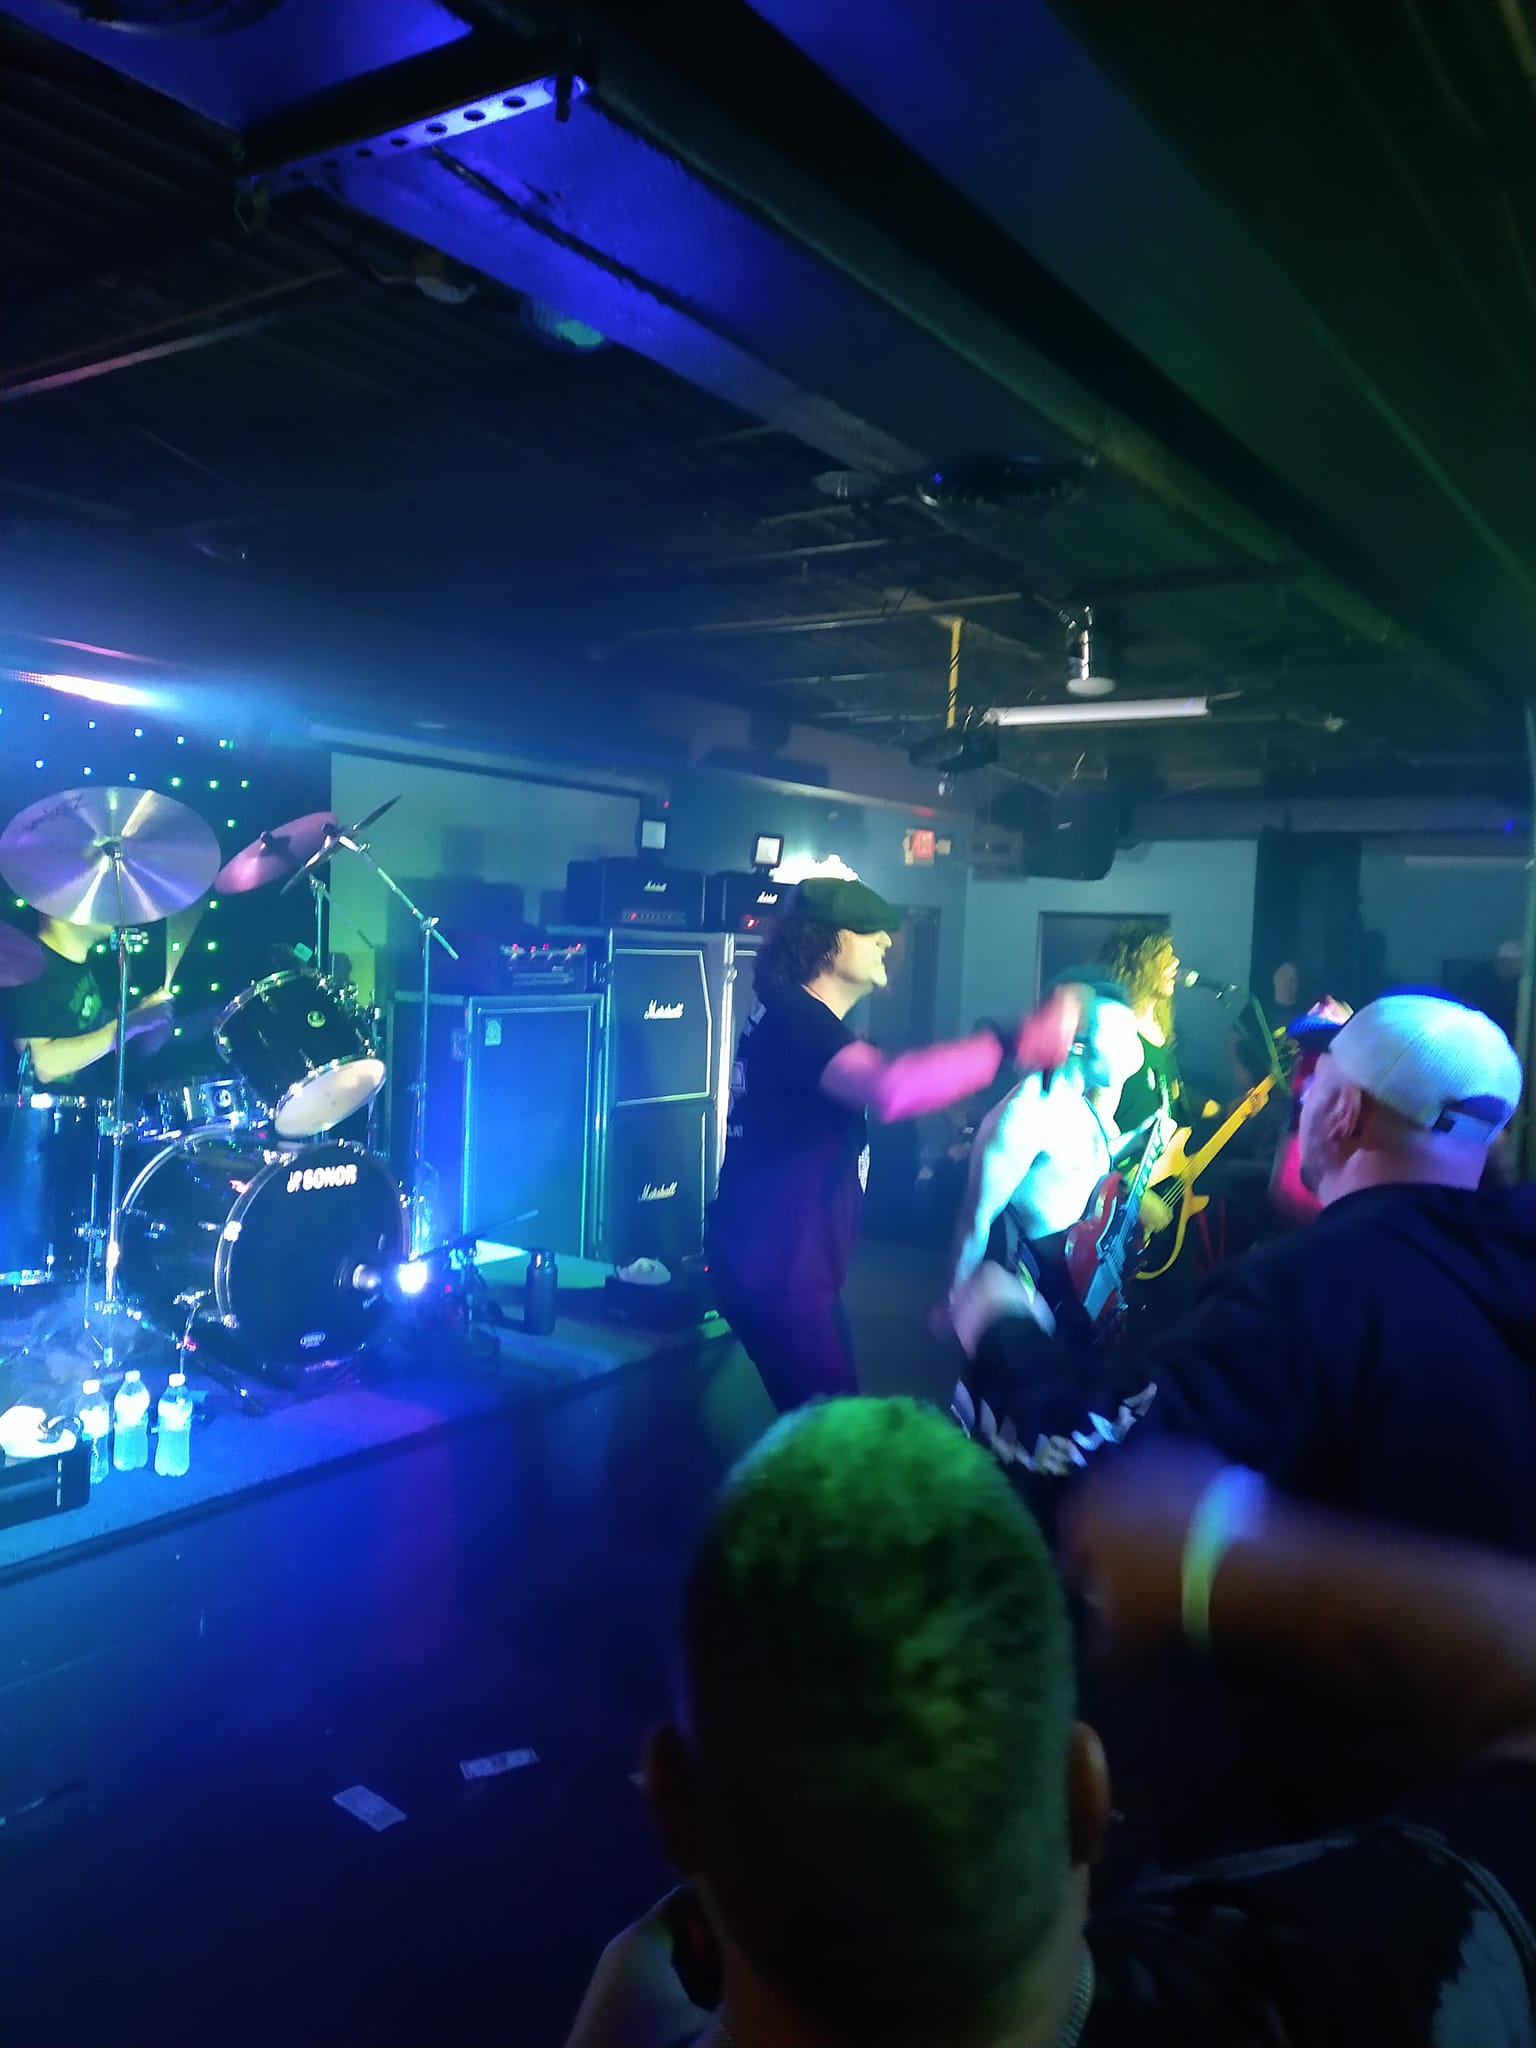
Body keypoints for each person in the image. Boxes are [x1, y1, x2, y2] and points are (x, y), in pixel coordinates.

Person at [563, 1400, 1536, 2048]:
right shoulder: (1372, 1979)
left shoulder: (621, 2016)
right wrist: (1216, 1553)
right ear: (1084, 1796)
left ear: (673, 1804)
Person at [707, 877, 1078, 1412]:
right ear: (825, 941)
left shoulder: (793, 1015)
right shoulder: (798, 1018)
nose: (886, 940)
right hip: (779, 1274)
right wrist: (1012, 1041)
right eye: (869, 930)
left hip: (783, 1267)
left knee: (831, 1423)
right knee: (835, 1437)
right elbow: (892, 1089)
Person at [948, 978, 1170, 1342]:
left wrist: (1137, 1140)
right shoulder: (1024, 1115)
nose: (1132, 1051)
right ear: (1078, 1042)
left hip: (1084, 1304)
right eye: (1120, 1038)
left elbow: (1072, 1171)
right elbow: (976, 1219)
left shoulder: (1079, 1104)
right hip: (1039, 1305)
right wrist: (956, 1304)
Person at [3, 912, 174, 1086]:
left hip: (91, 1099)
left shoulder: (83, 966)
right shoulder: (29, 967)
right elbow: (42, 1066)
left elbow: (105, 1046)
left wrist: (150, 1029)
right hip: (46, 1104)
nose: (106, 908)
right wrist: (129, 1024)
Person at [1101, 922, 1191, 1130]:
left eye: (1172, 955)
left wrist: (1222, 1110)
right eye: (1163, 956)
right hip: (1123, 1151)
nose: (1175, 962)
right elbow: (1097, 1116)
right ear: (1137, 965)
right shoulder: (1115, 1029)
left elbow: (1170, 1091)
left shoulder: (1162, 1029)